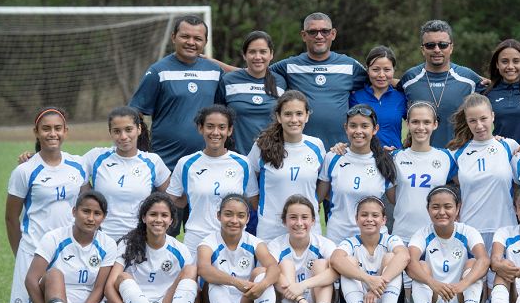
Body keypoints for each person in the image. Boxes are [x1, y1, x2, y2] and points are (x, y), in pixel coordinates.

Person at [130, 15, 223, 236]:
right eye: (185, 36)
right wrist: (142, 150)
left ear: (205, 42)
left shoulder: (215, 72)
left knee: (207, 237)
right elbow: (135, 112)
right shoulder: (158, 71)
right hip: (167, 170)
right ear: (174, 37)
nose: (191, 42)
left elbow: (223, 114)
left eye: (197, 38)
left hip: (206, 170)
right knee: (161, 235)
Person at [6, 107, 88, 303]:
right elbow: (11, 218)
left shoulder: (78, 165)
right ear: (36, 132)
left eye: (58, 128)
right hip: (33, 250)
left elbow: (87, 205)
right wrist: (21, 253)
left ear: (66, 131)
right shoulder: (24, 171)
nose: (53, 133)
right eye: (46, 129)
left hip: (67, 250)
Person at [24, 191, 122, 303]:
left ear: (104, 217)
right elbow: (30, 280)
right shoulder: (54, 238)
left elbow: (99, 289)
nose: (90, 218)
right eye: (86, 211)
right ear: (74, 211)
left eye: (97, 213)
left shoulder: (108, 244)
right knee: (54, 274)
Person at [105, 193, 198, 303]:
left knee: (192, 271)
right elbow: (109, 286)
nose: (158, 220)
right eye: (153, 214)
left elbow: (196, 293)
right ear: (144, 218)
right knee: (122, 277)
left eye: (164, 215)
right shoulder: (127, 245)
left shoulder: (179, 249)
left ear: (171, 220)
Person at [166, 105, 257, 257]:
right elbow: (172, 200)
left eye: (221, 127)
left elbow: (254, 203)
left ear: (229, 130)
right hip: (196, 240)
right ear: (200, 128)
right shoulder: (186, 164)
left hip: (233, 239)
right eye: (210, 126)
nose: (215, 132)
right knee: (191, 281)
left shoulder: (243, 163)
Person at [270, 12, 368, 147]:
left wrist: (402, 82)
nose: (319, 36)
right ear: (304, 36)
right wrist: (229, 68)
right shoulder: (290, 66)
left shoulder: (349, 65)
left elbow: (380, 79)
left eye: (325, 31)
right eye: (312, 32)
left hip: (340, 148)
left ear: (333, 34)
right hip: (302, 149)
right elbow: (255, 73)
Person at [407, 185, 489, 303]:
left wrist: (462, 284)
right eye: (436, 207)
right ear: (428, 209)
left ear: (458, 208)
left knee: (473, 263)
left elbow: (484, 260)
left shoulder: (468, 231)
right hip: (432, 301)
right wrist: (433, 283)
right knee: (421, 266)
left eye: (448, 207)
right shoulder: (422, 234)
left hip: (460, 300)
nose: (442, 212)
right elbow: (410, 263)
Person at [197, 194, 280, 303]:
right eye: (228, 215)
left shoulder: (254, 242)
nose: (234, 221)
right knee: (215, 279)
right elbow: (203, 269)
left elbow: (274, 268)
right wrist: (236, 282)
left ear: (247, 218)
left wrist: (262, 285)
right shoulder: (207, 242)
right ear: (219, 216)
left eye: (240, 216)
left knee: (262, 273)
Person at [81, 106, 171, 240]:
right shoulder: (95, 157)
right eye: (117, 131)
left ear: (139, 129)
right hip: (100, 239)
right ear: (110, 132)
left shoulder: (153, 161)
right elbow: (72, 177)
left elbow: (171, 198)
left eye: (128, 130)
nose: (123, 136)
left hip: (139, 240)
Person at [247, 91, 325, 241]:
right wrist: (262, 209)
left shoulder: (316, 145)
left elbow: (323, 180)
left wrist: (314, 204)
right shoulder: (262, 145)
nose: (294, 119)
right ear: (278, 116)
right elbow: (248, 177)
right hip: (271, 229)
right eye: (288, 114)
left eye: (299, 114)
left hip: (307, 228)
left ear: (307, 116)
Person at [448, 93, 519, 250]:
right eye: (472, 121)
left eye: (483, 118)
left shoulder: (509, 146)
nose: (479, 125)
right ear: (467, 122)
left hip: (505, 229)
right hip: (471, 231)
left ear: (493, 116)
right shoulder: (456, 153)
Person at [317, 104, 396, 245]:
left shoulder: (385, 160)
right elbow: (318, 198)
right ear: (346, 128)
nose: (358, 131)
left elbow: (398, 200)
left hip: (373, 240)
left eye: (365, 126)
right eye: (353, 126)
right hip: (338, 239)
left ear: (375, 129)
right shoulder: (333, 157)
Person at [398, 20, 485, 148]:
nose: (437, 50)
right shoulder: (409, 79)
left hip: (459, 158)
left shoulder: (469, 79)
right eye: (430, 45)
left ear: (451, 47)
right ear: (422, 49)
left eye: (443, 45)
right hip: (421, 159)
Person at [330, 196, 409, 303]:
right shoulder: (350, 242)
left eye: (375, 215)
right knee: (348, 261)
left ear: (384, 220)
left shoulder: (391, 239)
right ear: (356, 219)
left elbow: (404, 256)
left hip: (386, 302)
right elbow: (335, 259)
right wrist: (368, 279)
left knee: (392, 257)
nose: (369, 219)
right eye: (364, 215)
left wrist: (376, 286)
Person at [387, 102, 457, 242]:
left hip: (435, 235)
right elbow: (393, 197)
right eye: (415, 122)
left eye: (426, 122)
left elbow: (467, 185)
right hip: (403, 235)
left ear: (435, 124)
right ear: (407, 124)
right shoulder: (394, 157)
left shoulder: (446, 157)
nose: (421, 127)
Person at [268, 195, 337, 303]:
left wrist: (302, 285)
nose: (299, 223)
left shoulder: (324, 244)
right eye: (293, 217)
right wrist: (301, 300)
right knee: (284, 265)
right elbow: (270, 274)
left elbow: (337, 272)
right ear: (284, 221)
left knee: (322, 264)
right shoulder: (275, 245)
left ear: (313, 221)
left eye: (304, 217)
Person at [220, 31, 287, 155]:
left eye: (263, 51)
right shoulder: (228, 80)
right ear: (244, 55)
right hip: (236, 158)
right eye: (252, 52)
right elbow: (218, 118)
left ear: (271, 54)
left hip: (271, 157)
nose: (257, 57)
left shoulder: (281, 82)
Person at [349, 45, 407, 149]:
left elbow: (416, 125)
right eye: (376, 69)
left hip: (393, 157)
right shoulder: (355, 97)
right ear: (368, 70)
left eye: (387, 69)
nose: (381, 75)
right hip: (364, 158)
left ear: (393, 70)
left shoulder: (402, 97)